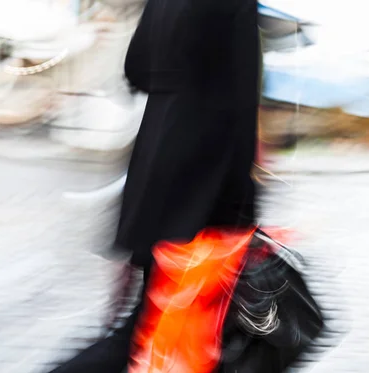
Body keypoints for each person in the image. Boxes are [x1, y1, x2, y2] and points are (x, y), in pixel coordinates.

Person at [50, 0, 260, 371]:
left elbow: (137, 71)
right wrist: (244, 203)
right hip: (204, 185)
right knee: (153, 335)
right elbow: (243, 99)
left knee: (152, 329)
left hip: (154, 167)